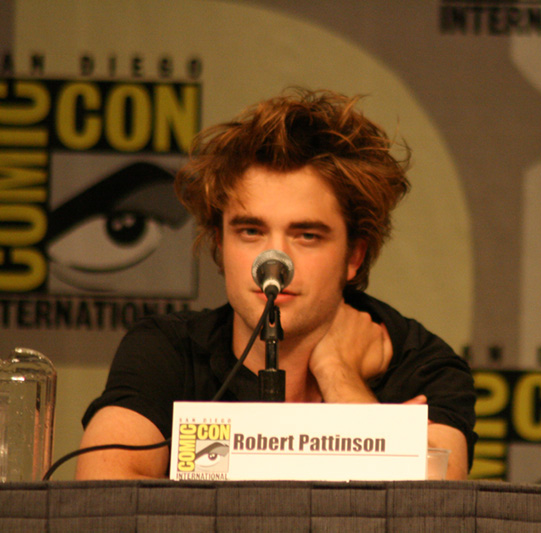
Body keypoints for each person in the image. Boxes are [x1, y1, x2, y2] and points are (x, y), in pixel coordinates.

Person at [76, 88, 477, 480]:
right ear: (221, 244)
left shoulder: (423, 366)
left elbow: (428, 506)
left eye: (307, 236)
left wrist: (340, 375)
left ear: (354, 256)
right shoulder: (166, 350)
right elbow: (103, 488)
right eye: (251, 232)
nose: (274, 262)